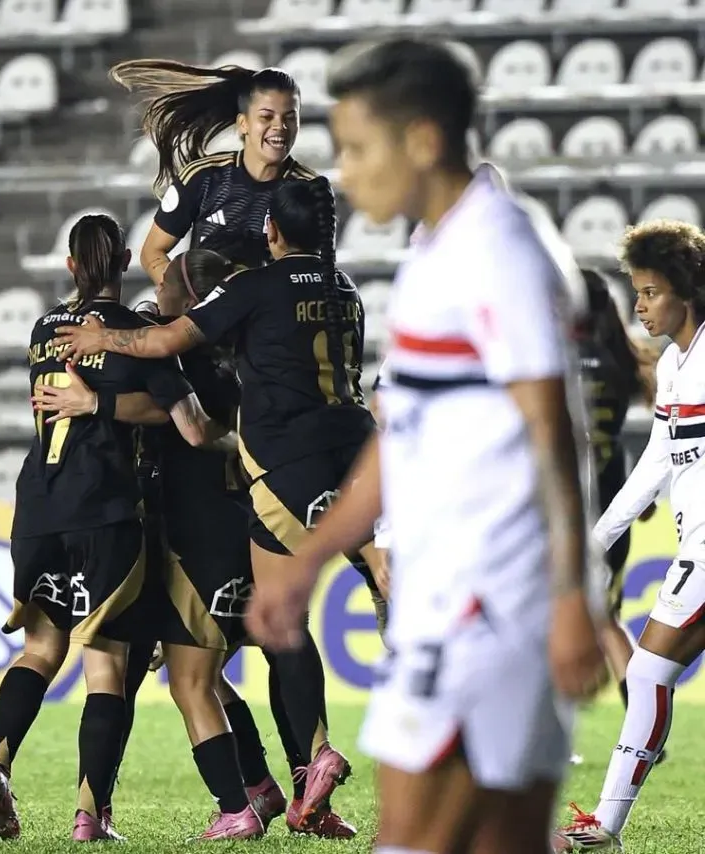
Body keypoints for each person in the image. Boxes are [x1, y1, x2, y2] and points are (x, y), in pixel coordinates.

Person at [242, 38, 607, 854]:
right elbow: (397, 441)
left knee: (422, 838)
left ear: (423, 141)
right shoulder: (431, 250)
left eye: (359, 147)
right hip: (443, 601)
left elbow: (555, 435)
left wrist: (569, 599)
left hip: (494, 607)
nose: (345, 171)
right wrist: (306, 562)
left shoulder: (498, 250)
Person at [52, 175, 373, 830]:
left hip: (214, 529)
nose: (156, 289)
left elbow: (172, 379)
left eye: (168, 285)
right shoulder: (336, 299)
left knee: (192, 675)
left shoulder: (211, 328)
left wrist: (103, 359)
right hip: (327, 478)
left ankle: (240, 802)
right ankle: (288, 782)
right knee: (274, 648)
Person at [0, 213, 227, 843]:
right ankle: (91, 813)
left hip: (37, 506)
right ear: (121, 264)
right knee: (106, 667)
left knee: (39, 650)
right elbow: (185, 421)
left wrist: (92, 400)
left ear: (69, 267)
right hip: (104, 512)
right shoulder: (133, 331)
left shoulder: (42, 328)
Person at [553, 220, 705, 852]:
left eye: (650, 292)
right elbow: (658, 463)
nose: (639, 306)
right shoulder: (674, 363)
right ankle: (603, 829)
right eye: (636, 293)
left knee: (645, 674)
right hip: (692, 546)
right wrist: (599, 536)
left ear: (687, 291)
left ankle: (604, 829)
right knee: (645, 675)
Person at [109, 59, 316, 281]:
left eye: (290, 117)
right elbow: (152, 253)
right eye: (266, 117)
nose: (280, 127)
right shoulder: (203, 177)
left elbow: (315, 271)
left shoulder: (310, 190)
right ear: (243, 123)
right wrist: (186, 294)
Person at [577, 269, 661, 719]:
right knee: (608, 620)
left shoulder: (556, 360)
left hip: (566, 509)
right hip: (613, 503)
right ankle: (642, 715)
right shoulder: (619, 363)